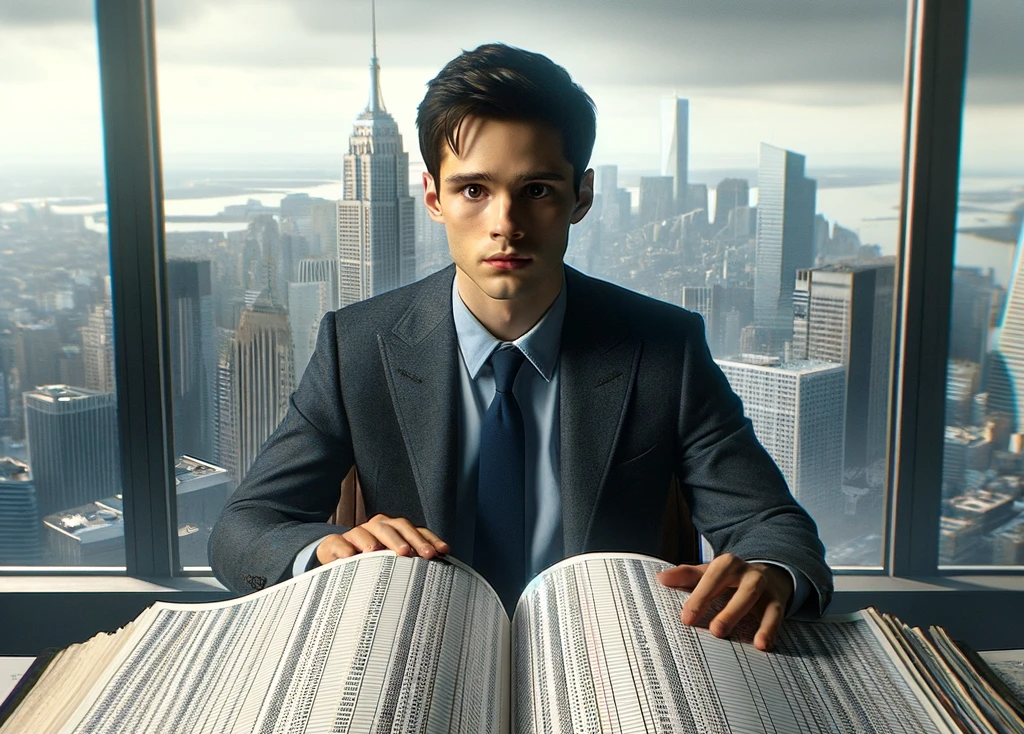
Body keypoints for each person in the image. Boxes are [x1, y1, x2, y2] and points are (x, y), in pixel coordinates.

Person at [209, 43, 832, 651]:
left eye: (536, 190)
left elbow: (772, 526)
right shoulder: (358, 346)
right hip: (423, 656)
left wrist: (772, 571)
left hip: (609, 662)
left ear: (579, 197)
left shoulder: (665, 347)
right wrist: (324, 548)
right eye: (473, 190)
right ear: (434, 198)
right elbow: (244, 529)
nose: (505, 222)